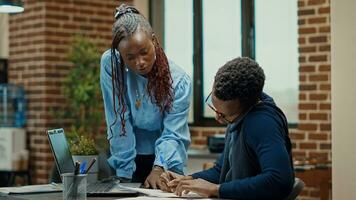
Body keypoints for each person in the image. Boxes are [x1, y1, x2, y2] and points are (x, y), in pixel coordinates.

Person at [161, 57, 295, 199]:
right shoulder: (239, 118)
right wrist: (188, 180)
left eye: (224, 115)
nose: (217, 118)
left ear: (245, 108)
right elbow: (221, 171)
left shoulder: (262, 122)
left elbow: (279, 180)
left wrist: (216, 189)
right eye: (213, 107)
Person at [100, 4, 191, 189]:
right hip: (128, 154)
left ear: (154, 41)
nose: (139, 62)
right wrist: (124, 174)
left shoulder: (179, 81)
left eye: (144, 52)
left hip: (165, 160)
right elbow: (118, 119)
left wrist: (158, 168)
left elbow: (173, 133)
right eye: (130, 57)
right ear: (120, 54)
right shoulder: (112, 64)